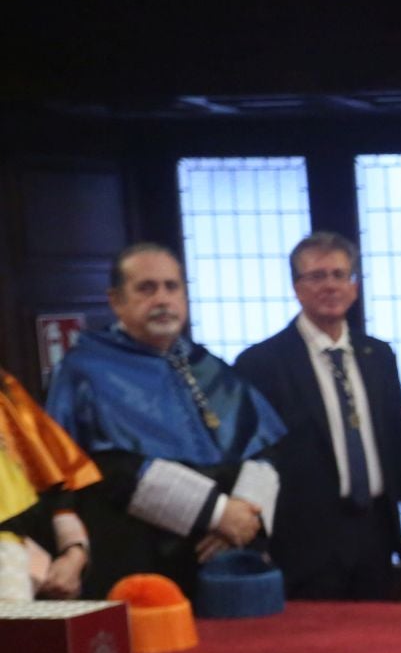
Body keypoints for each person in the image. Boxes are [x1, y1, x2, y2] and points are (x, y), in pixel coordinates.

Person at [45, 243, 285, 596]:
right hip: (138, 559)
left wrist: (243, 516)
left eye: (172, 287)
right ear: (116, 300)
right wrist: (217, 514)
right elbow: (108, 468)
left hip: (223, 558)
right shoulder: (86, 370)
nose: (162, 299)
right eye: (146, 288)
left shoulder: (208, 366)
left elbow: (265, 446)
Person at [234, 231, 401, 599]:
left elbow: (399, 444)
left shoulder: (378, 356)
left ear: (354, 286)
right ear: (296, 287)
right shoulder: (260, 363)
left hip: (376, 532)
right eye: (316, 276)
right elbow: (252, 458)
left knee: (376, 647)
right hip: (302, 540)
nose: (330, 285)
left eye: (339, 274)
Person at [0, 367, 101, 600]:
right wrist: (38, 567)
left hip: (28, 569)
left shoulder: (7, 391)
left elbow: (59, 490)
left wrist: (74, 555)